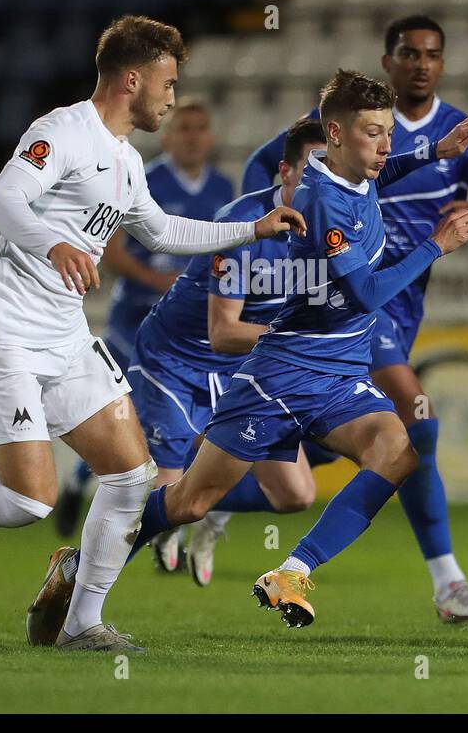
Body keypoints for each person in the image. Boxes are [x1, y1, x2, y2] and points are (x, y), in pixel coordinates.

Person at [0, 15, 305, 653]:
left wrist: (252, 229)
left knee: (133, 475)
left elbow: (167, 233)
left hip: (64, 337)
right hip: (4, 333)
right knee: (31, 500)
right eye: (167, 84)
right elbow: (2, 203)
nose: (172, 98)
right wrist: (53, 242)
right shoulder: (61, 131)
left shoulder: (125, 160)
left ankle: (83, 623)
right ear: (131, 80)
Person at [106, 68, 468, 630]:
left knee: (397, 453)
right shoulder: (323, 201)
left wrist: (434, 150)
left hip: (340, 372)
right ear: (334, 136)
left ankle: (292, 571)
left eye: (388, 131)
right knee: (188, 501)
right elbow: (364, 293)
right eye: (372, 133)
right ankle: (80, 560)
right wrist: (436, 245)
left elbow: (378, 174)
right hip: (285, 371)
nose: (385, 146)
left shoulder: (346, 172)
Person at [239, 16, 468, 621]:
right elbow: (263, 172)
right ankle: (447, 584)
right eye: (409, 53)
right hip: (357, 304)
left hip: (394, 305)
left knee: (313, 467)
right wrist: (265, 233)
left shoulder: (433, 137)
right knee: (416, 419)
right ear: (388, 62)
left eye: (433, 54)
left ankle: (216, 508)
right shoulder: (328, 140)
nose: (421, 63)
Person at [129, 118, 327, 584]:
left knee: (295, 496)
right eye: (313, 170)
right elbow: (223, 332)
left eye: (332, 171)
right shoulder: (242, 224)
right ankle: (77, 592)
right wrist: (300, 338)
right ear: (286, 172)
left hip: (244, 366)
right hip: (177, 358)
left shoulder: (331, 229)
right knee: (169, 498)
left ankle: (206, 514)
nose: (323, 182)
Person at [55, 99, 233, 539]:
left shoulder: (223, 189)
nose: (192, 137)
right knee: (125, 411)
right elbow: (111, 250)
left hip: (186, 324)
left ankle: (113, 496)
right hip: (134, 317)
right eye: (183, 128)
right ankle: (116, 501)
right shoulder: (144, 176)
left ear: (210, 138)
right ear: (167, 137)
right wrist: (158, 280)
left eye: (199, 128)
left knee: (155, 419)